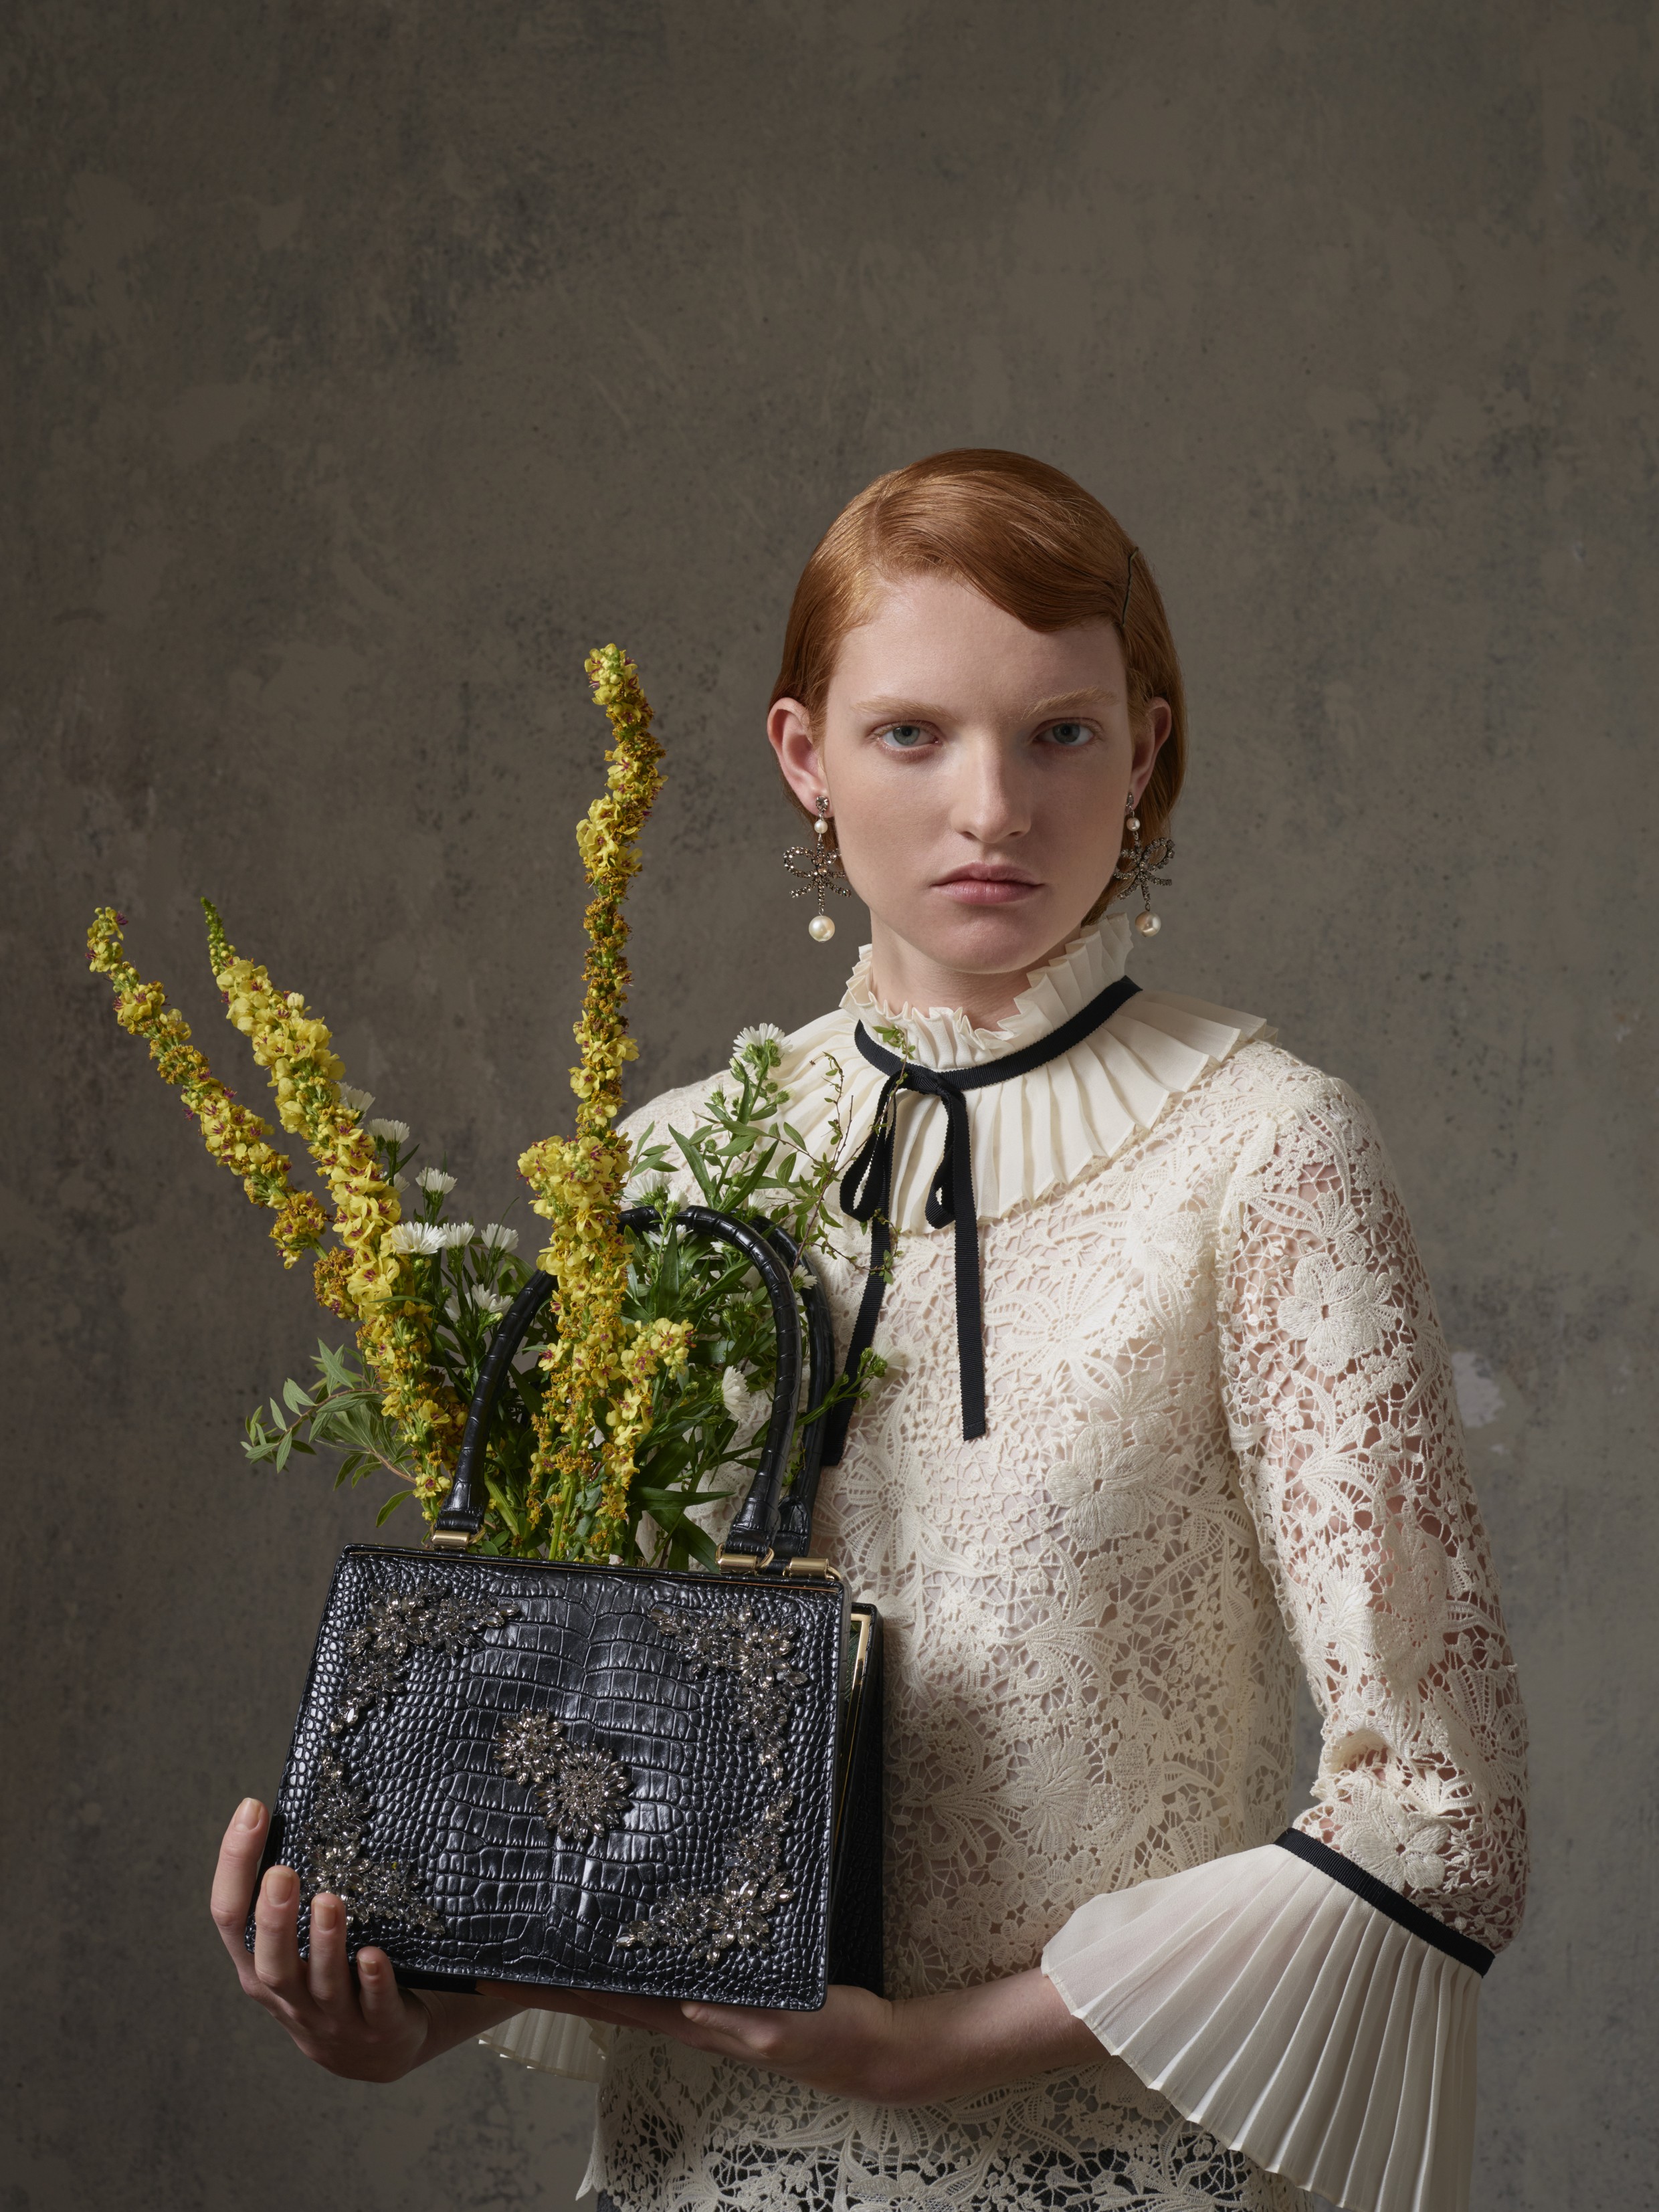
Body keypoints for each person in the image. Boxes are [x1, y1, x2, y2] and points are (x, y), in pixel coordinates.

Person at [212, 451, 1527, 2212]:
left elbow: (1439, 1809)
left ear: (1146, 752)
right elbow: (597, 1778)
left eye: (1060, 733)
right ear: (803, 756)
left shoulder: (1265, 1152)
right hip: (696, 2173)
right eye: (913, 733)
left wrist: (922, 2050)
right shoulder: (667, 1165)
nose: (994, 804)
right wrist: (406, 2010)